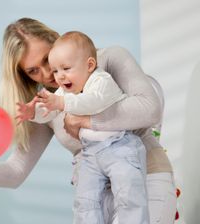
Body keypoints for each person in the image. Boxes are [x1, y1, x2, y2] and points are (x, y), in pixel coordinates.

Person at [0, 18, 176, 224]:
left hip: (144, 178)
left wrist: (85, 120)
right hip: (94, 197)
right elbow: (16, 171)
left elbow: (150, 108)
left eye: (47, 59)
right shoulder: (47, 105)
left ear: (56, 41)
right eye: (33, 71)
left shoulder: (108, 60)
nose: (48, 74)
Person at [15, 31, 149, 224]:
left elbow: (91, 102)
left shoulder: (101, 81)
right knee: (85, 199)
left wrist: (61, 102)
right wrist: (33, 112)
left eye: (66, 68)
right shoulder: (66, 90)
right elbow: (50, 111)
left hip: (119, 146)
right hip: (90, 154)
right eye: (55, 71)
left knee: (128, 193)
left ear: (89, 65)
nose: (59, 77)